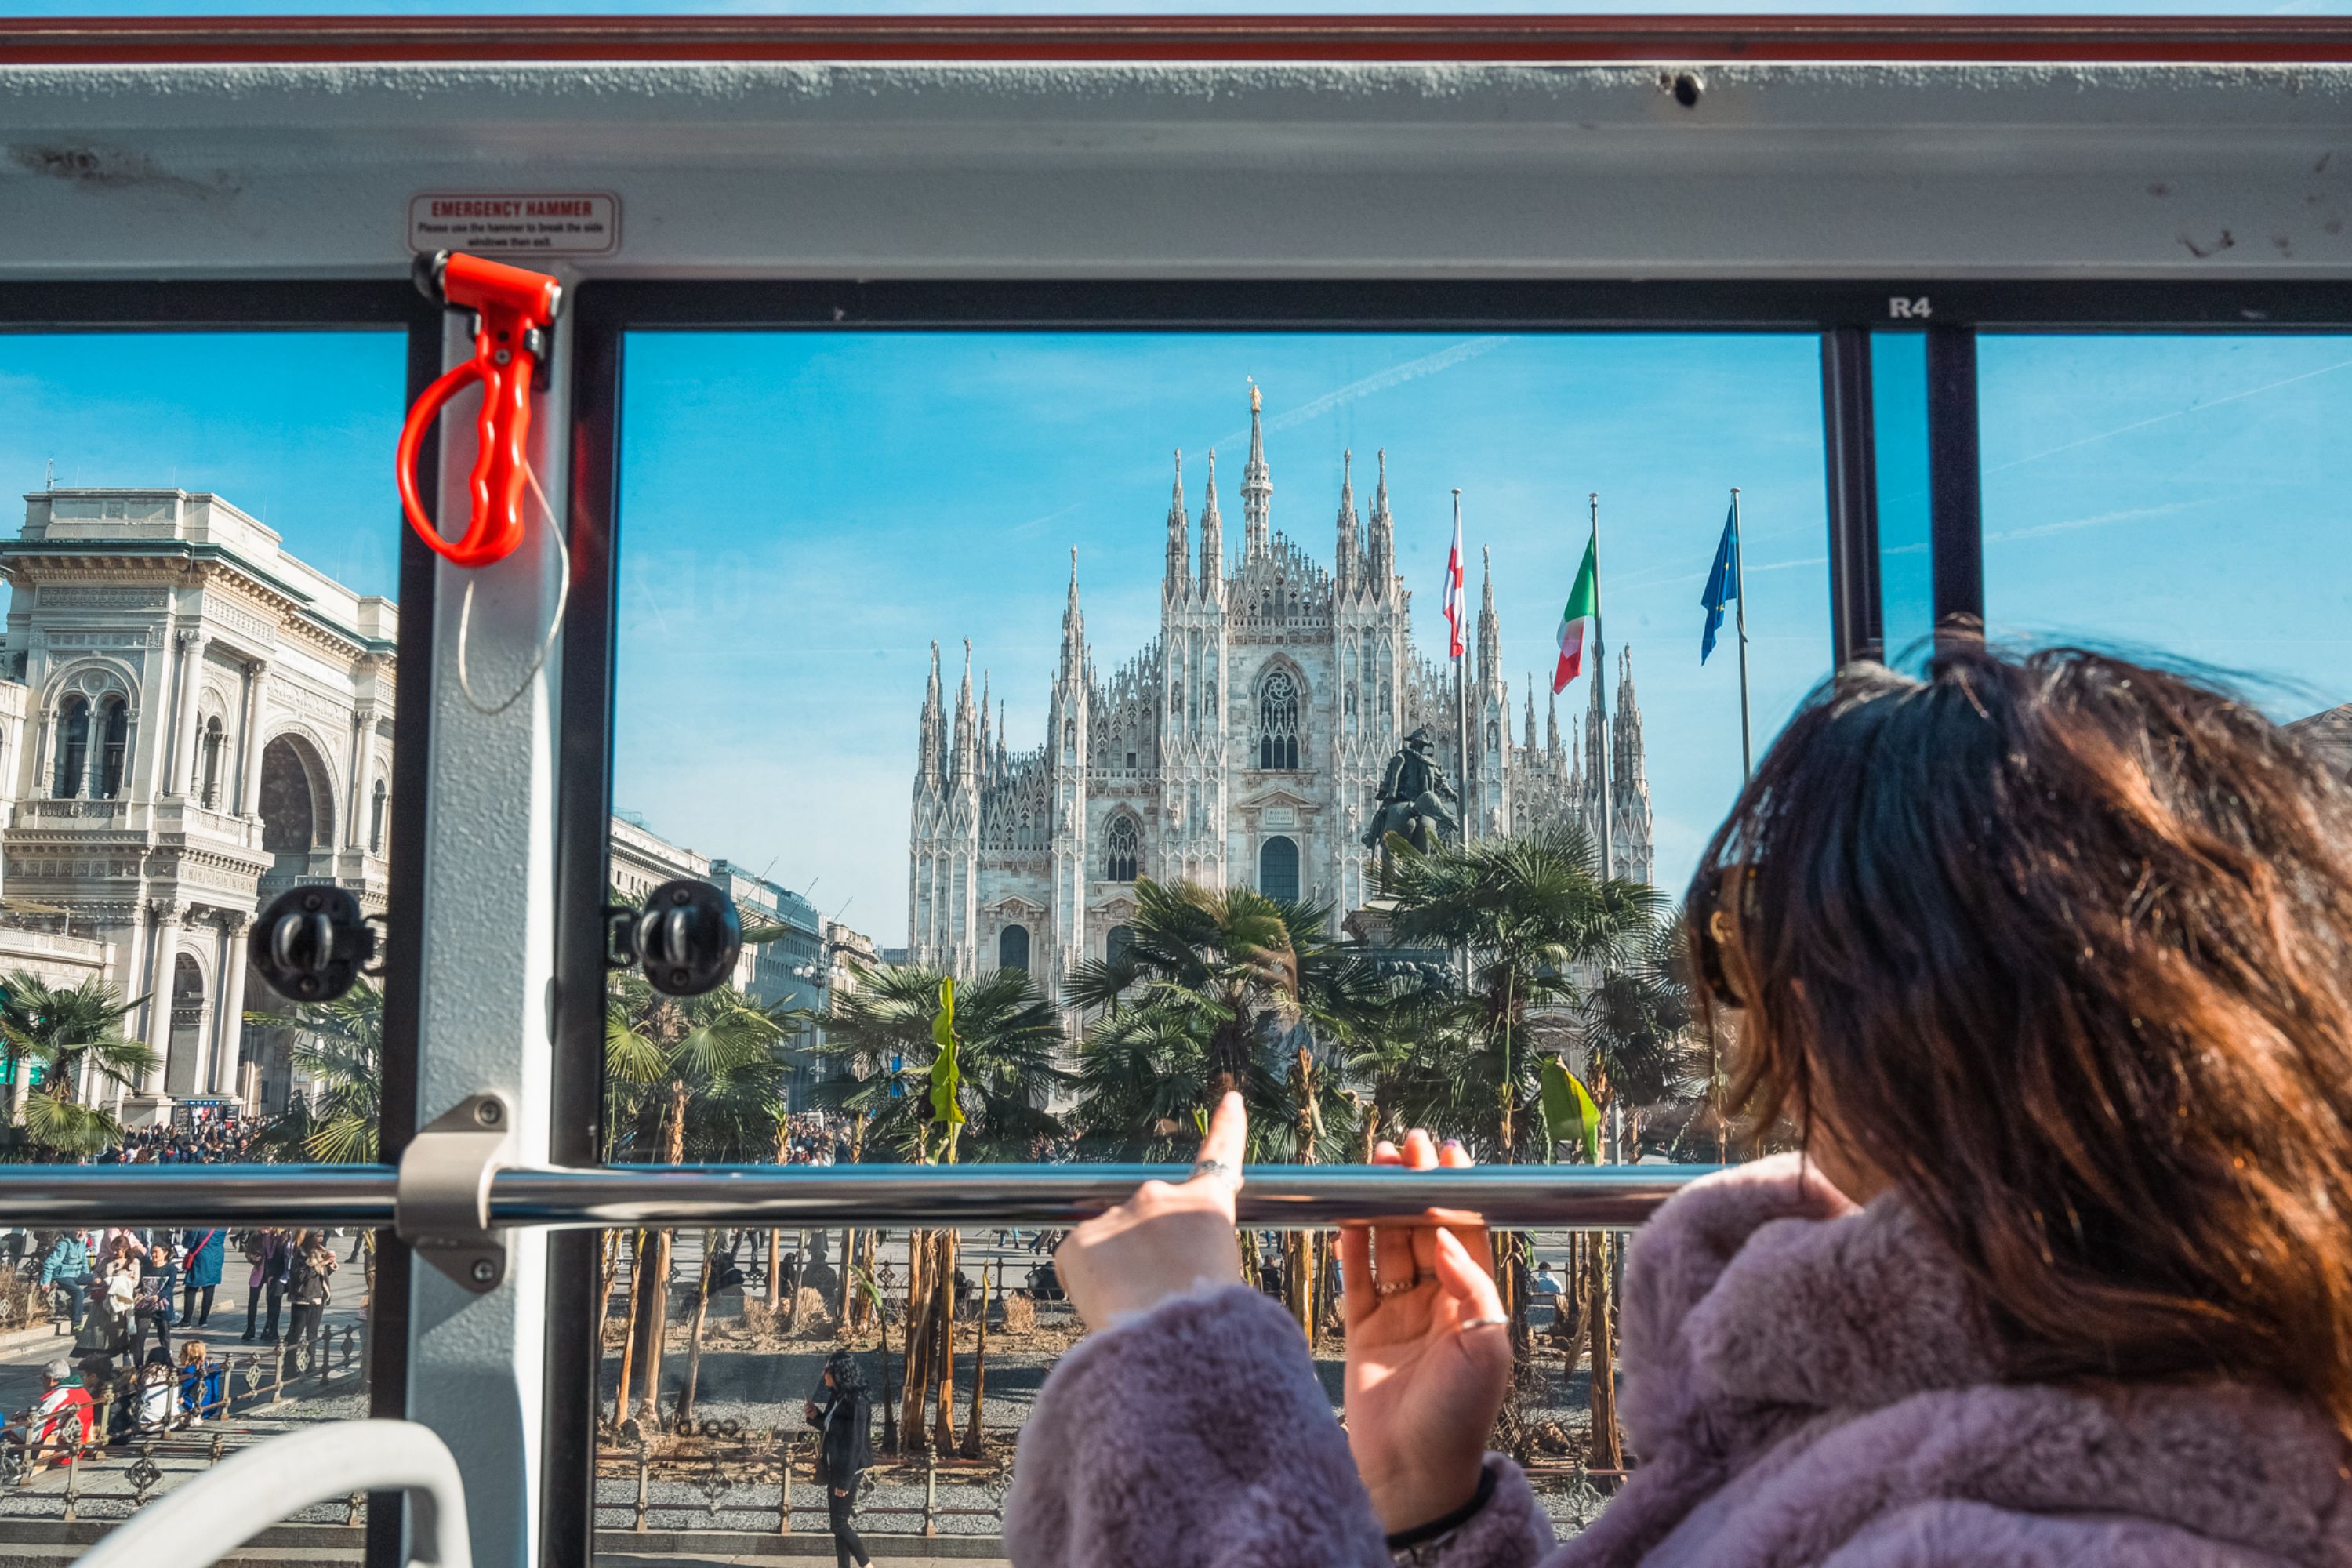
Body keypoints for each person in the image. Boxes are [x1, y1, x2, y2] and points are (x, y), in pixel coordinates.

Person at [1009, 646, 2352, 1567]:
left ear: (1954, 1015)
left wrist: (1179, 1357)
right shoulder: (1996, 1392)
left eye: (1754, 935)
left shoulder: (2029, 1521)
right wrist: (1433, 1506)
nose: (1737, 999)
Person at [804, 1349, 873, 1568]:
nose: (824, 1375)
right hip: (836, 1466)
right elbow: (832, 1427)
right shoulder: (837, 1395)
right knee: (837, 1524)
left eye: (828, 1371)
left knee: (840, 1524)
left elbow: (855, 1443)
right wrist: (815, 1416)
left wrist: (844, 1481)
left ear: (840, 1373)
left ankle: (867, 1566)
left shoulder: (857, 1401)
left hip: (849, 1470)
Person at [282, 1231, 335, 1377]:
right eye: (317, 1236)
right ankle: (289, 1367)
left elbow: (321, 1276)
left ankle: (310, 1365)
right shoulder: (301, 1253)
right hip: (303, 1298)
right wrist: (320, 1265)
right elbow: (301, 1276)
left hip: (318, 1297)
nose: (320, 1239)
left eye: (322, 1236)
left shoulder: (321, 1251)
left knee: (313, 1333)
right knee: (296, 1332)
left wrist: (330, 1265)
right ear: (309, 1238)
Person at [27, 1359, 91, 1470]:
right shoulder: (83, 1392)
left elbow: (34, 1435)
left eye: (42, 1379)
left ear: (51, 1380)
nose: (42, 1382)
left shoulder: (59, 1398)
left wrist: (11, 1431)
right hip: (76, 1448)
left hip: (59, 1454)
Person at [37, 1231, 91, 1334]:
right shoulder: (65, 1244)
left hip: (77, 1274)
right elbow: (50, 1263)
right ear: (73, 1230)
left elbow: (84, 1261)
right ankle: (76, 1325)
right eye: (78, 1230)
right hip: (63, 1275)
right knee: (79, 1293)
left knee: (100, 1281)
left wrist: (87, 1275)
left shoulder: (82, 1244)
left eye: (84, 1230)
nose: (81, 1233)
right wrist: (46, 1282)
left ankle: (72, 1302)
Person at [130, 1243, 176, 1363]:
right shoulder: (146, 1267)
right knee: (140, 1335)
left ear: (165, 1253)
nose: (153, 1255)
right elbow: (140, 1284)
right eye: (152, 1252)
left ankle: (167, 1363)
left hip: (163, 1305)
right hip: (145, 1305)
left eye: (156, 1252)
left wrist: (158, 1296)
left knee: (164, 1334)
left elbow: (170, 1287)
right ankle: (138, 1365)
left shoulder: (171, 1269)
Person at [242, 1227, 289, 1344]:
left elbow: (287, 1254)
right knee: (252, 1301)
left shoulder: (283, 1236)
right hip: (259, 1271)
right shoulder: (256, 1236)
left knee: (273, 1302)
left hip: (275, 1273)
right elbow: (248, 1252)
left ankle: (270, 1329)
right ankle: (250, 1328)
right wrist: (252, 1258)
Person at [177, 1225, 224, 1328]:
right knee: (209, 1288)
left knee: (191, 1288)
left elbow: (188, 1243)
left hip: (200, 1259)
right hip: (216, 1258)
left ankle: (186, 1320)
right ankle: (203, 1320)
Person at [130, 1347, 176, 1436]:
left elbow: (137, 1392)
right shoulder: (173, 1372)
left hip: (147, 1423)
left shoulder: (145, 1373)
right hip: (173, 1421)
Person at [177, 1340, 223, 1425]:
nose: (179, 1356)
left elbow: (184, 1393)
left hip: (197, 1409)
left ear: (189, 1356)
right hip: (212, 1407)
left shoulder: (190, 1371)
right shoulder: (210, 1366)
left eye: (182, 1353)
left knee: (176, 1397)